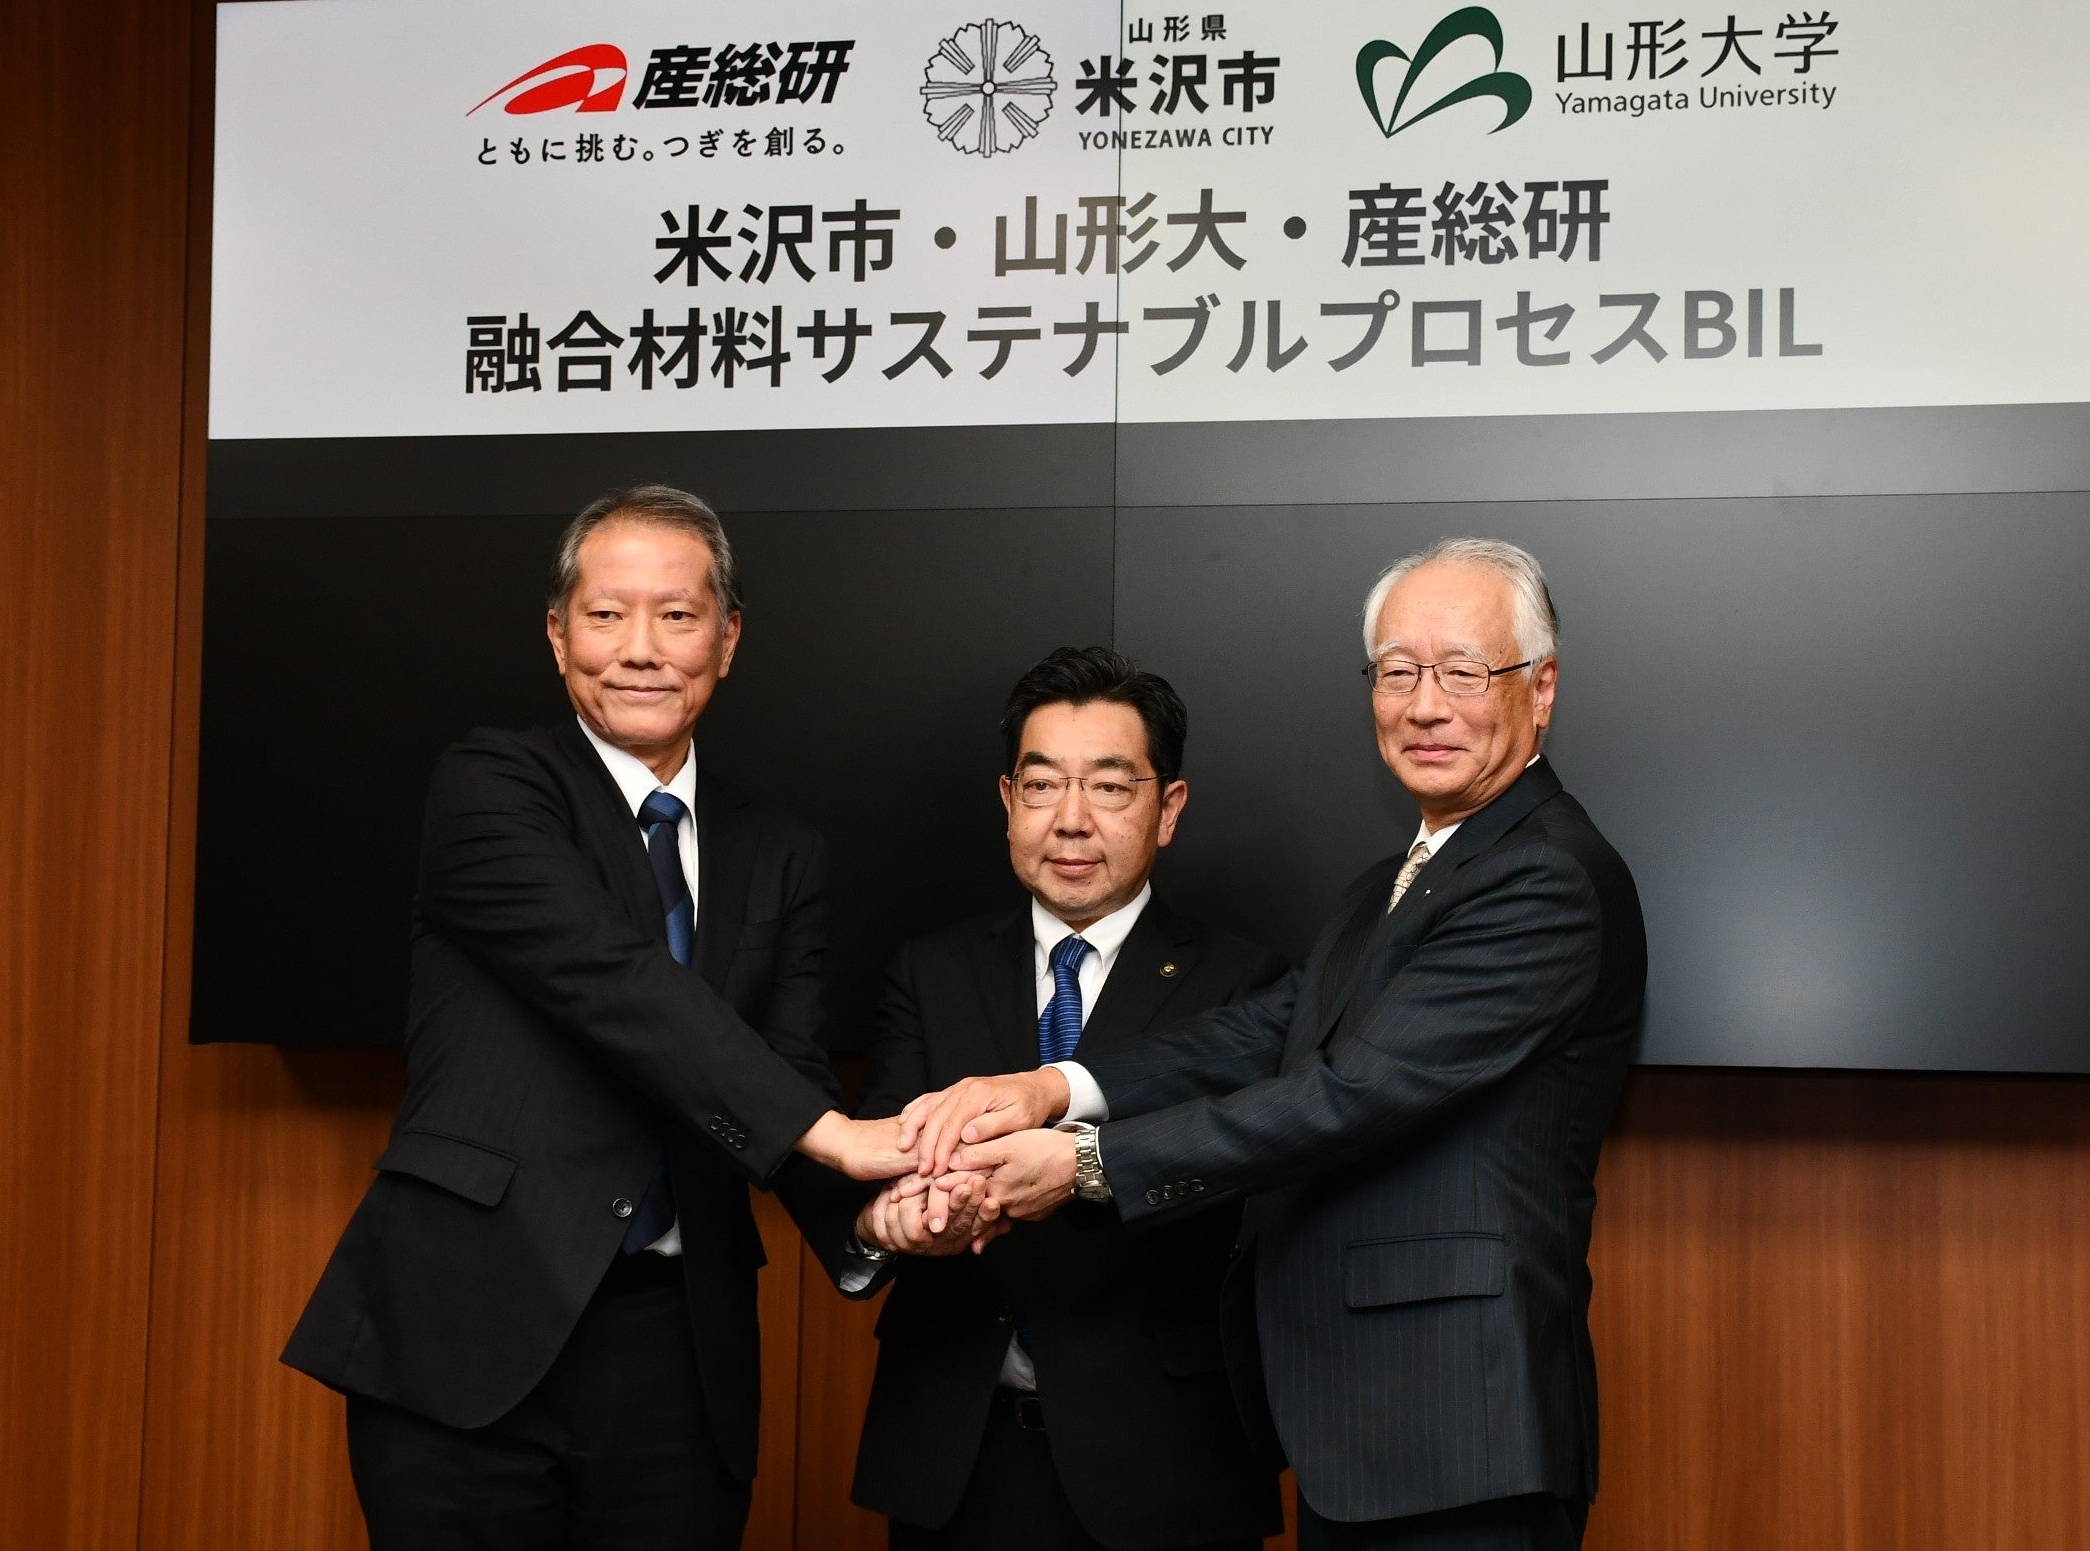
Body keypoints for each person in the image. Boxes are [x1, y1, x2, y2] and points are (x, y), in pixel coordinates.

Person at [895, 539, 1647, 1550]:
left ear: (1539, 688)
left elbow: (1348, 1094)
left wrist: (1082, 1162)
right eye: (1396, 672)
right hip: (1366, 1424)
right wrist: (1051, 1086)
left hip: (1455, 1424)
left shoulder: (1544, 876)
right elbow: (1265, 1031)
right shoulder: (1398, 879)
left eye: (1462, 672)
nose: (1424, 706)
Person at [284, 484, 932, 1551]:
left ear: (726, 639)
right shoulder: (492, 784)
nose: (640, 649)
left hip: (678, 1347)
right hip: (468, 1323)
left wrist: (871, 1217)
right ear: (556, 635)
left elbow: (785, 1067)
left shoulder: (780, 850)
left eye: (675, 616)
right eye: (604, 614)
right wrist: (839, 1135)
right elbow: (614, 980)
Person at [850, 648, 1287, 1551]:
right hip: (956, 1455)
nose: (1071, 821)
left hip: (1164, 1461)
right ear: (1008, 801)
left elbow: (1228, 1165)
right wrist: (892, 1218)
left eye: (1111, 788)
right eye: (1043, 786)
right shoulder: (929, 971)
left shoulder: (1247, 985)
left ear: (1168, 809)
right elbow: (882, 1155)